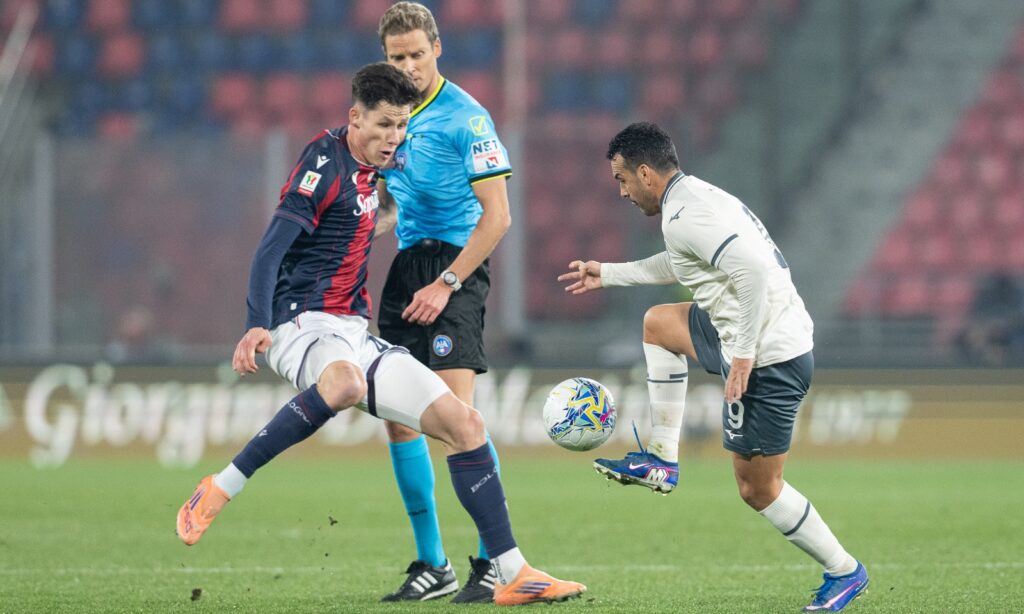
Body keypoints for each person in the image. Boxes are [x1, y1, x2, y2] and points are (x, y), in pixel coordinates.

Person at [174, 62, 585, 608]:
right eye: (385, 125)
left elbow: (376, 211)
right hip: (299, 324)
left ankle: (512, 573)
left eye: (402, 125)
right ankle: (221, 485)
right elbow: (271, 247)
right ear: (355, 118)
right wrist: (254, 322)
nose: (395, 137)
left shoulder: (382, 166)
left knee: (466, 424)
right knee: (343, 383)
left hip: (352, 330)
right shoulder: (322, 162)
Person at [558, 122, 867, 612]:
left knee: (757, 489)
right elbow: (684, 263)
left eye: (622, 179)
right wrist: (610, 274)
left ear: (645, 173)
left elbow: (753, 271)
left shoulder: (685, 215)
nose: (621, 191)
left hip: (770, 356)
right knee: (659, 324)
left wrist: (744, 354)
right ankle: (662, 459)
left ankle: (845, 570)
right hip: (746, 332)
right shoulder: (692, 198)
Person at [370, 2, 513, 603]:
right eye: (396, 57)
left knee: (459, 420)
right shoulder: (390, 119)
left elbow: (498, 217)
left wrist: (448, 282)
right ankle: (433, 565)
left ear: (437, 49)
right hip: (408, 268)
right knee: (399, 419)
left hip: (457, 268)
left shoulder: (467, 118)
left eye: (416, 54)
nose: (407, 66)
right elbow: (389, 205)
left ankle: (492, 561)